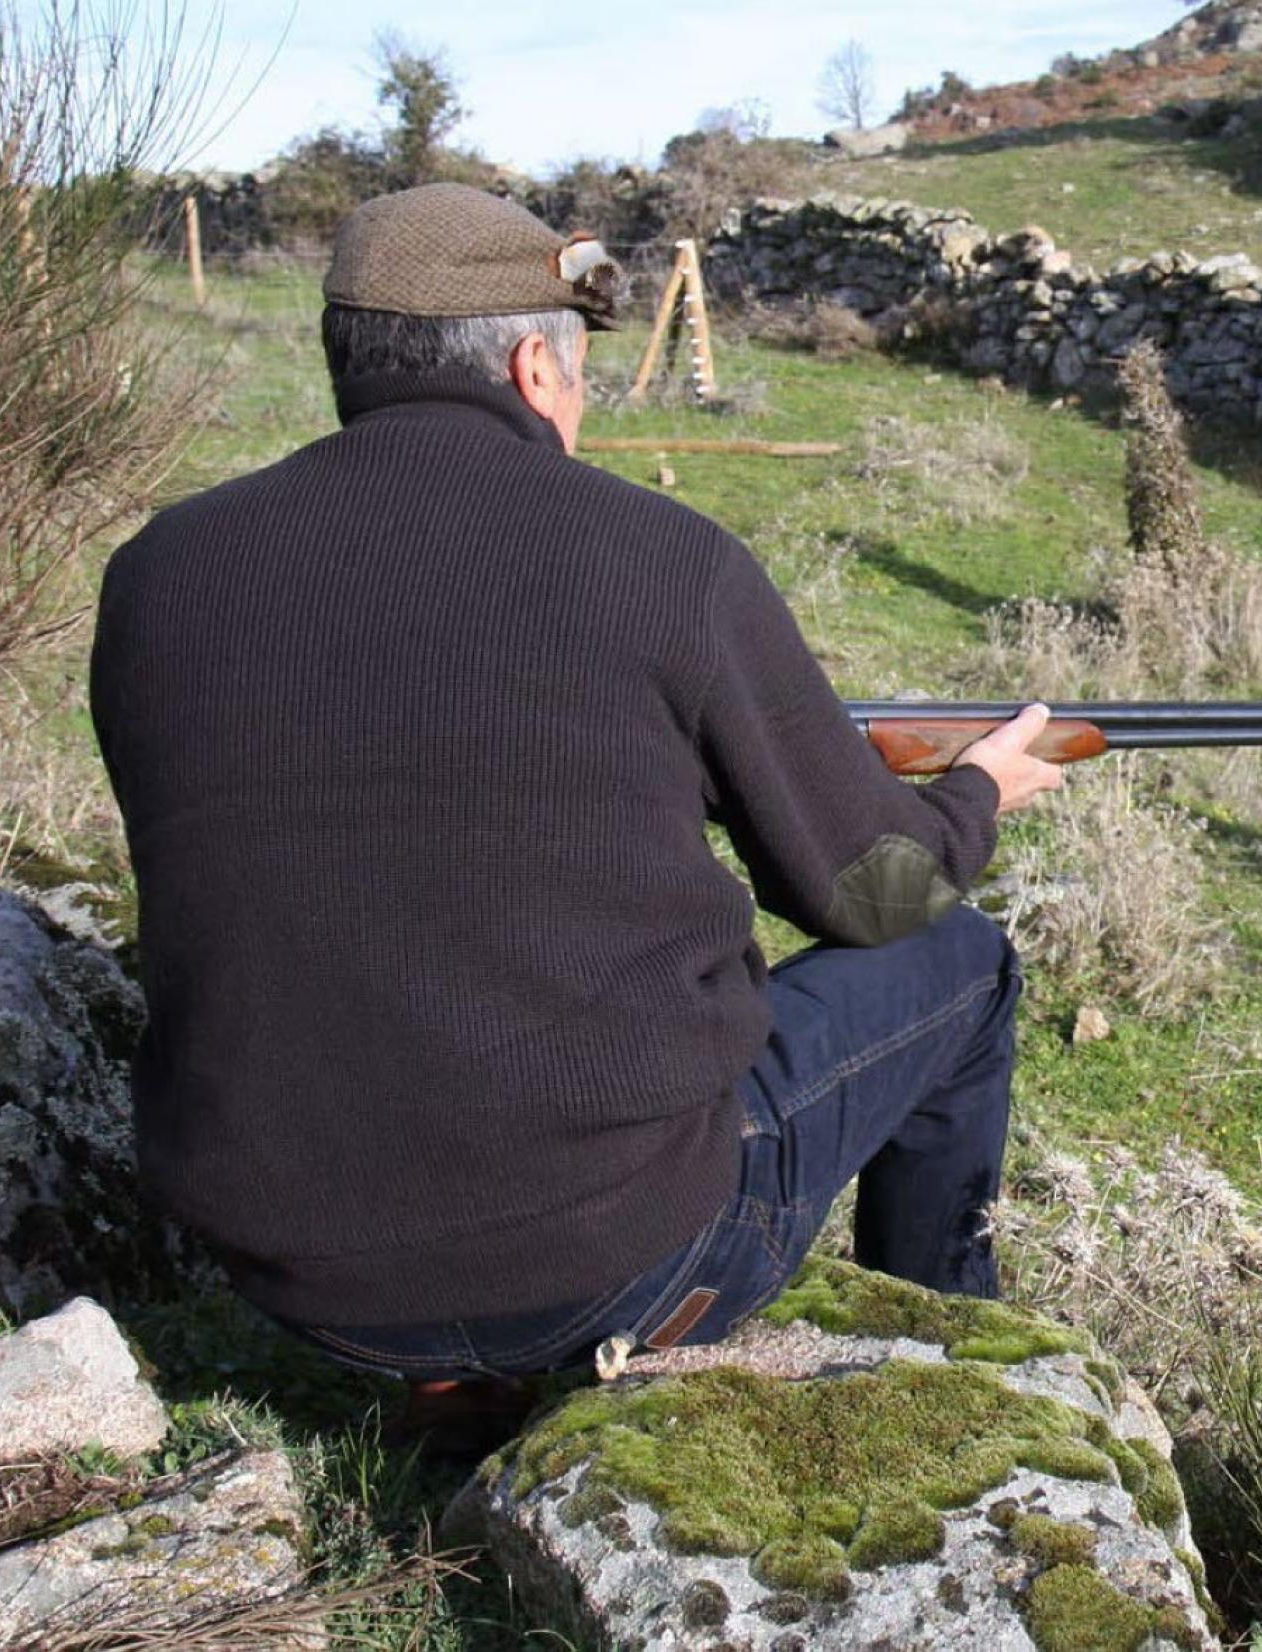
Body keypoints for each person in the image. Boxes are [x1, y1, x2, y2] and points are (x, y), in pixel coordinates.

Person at [88, 183, 1061, 1424]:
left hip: (294, 1285)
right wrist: (978, 791)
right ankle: (949, 1371)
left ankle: (449, 1390)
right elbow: (874, 892)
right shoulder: (666, 560)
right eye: (582, 370)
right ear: (532, 368)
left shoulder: (156, 573)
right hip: (624, 1262)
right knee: (963, 963)